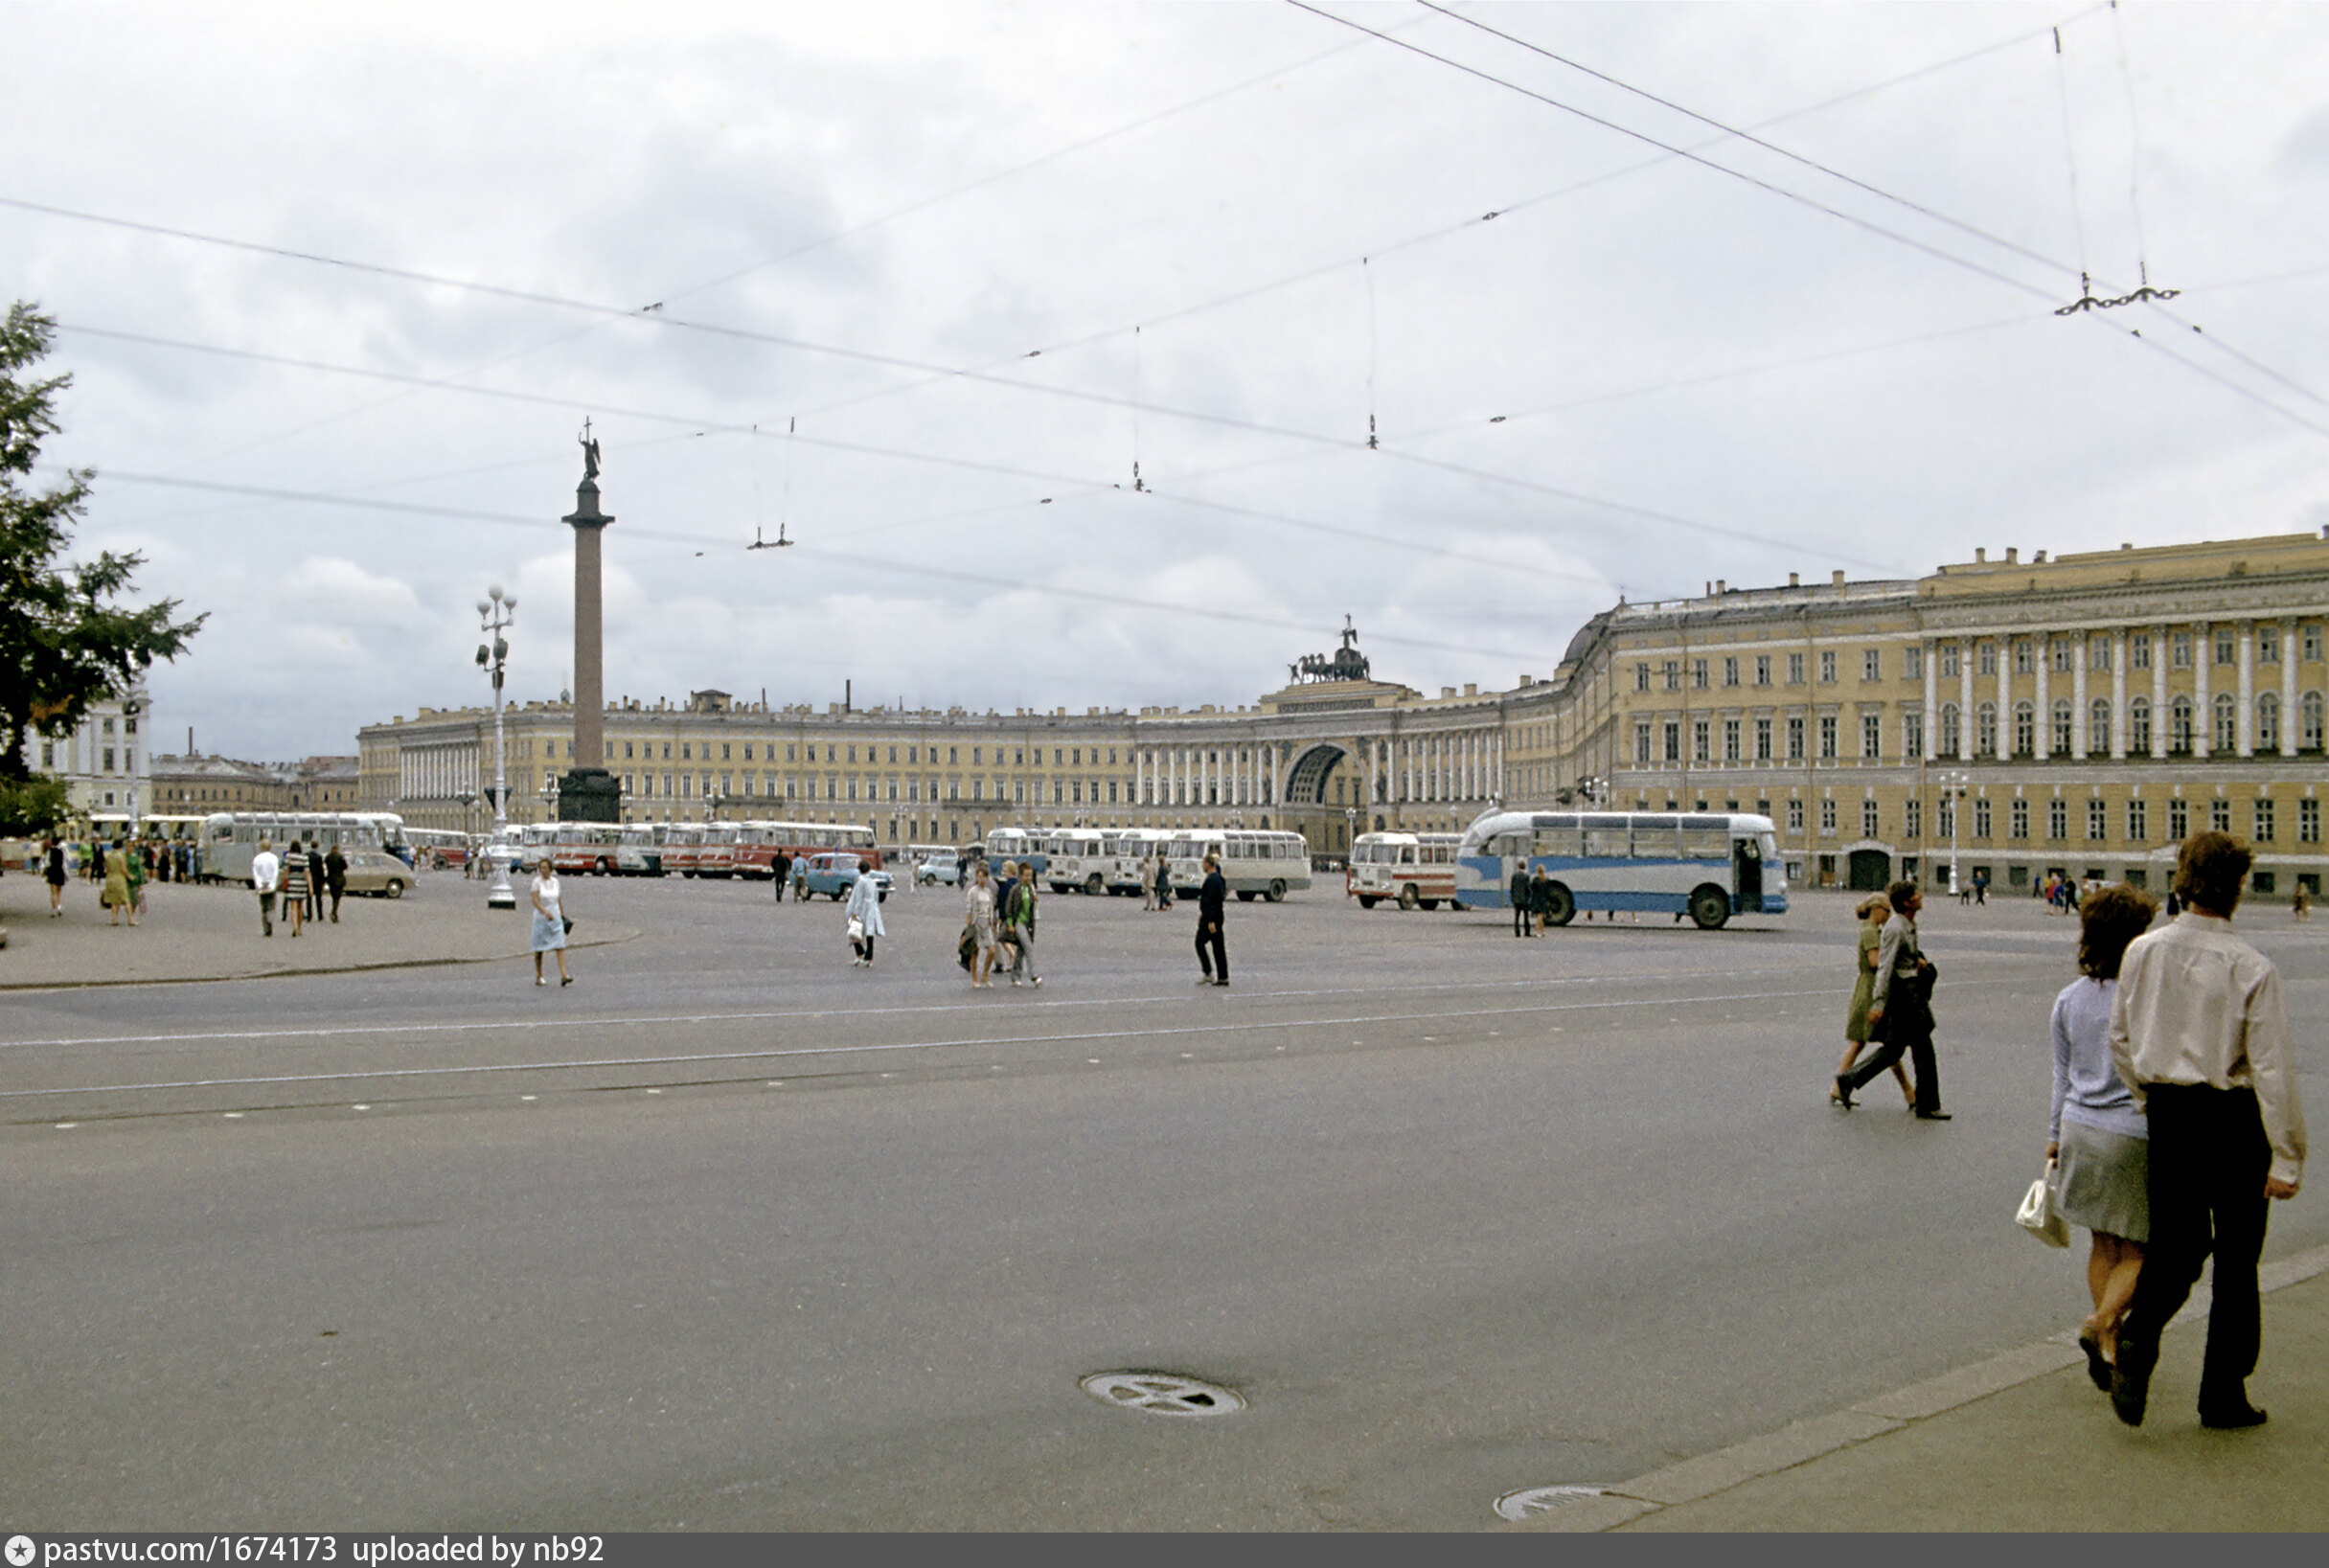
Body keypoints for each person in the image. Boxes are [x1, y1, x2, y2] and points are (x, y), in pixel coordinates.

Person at [2106, 832, 2305, 1429]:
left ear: (2183, 880)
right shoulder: (2252, 967)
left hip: (2171, 1112)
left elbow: (2120, 1038)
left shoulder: (2143, 951)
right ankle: (2222, 1393)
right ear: (2239, 887)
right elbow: (2273, 1069)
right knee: (2239, 1260)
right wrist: (2287, 1158)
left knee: (2178, 1245)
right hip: (2235, 1119)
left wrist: (2150, 1096)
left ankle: (2139, 1338)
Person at [2047, 883, 2159, 1391]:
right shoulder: (2146, 997)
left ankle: (2108, 1346)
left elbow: (2061, 1074)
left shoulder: (2069, 1000)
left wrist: (2053, 1135)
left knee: (2103, 1243)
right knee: (2142, 1250)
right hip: (2131, 1132)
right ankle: (2102, 1325)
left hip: (2078, 1127)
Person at [1836, 880, 1948, 1119]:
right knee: (1924, 1049)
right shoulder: (1896, 928)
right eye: (1916, 894)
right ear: (1907, 902)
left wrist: (1918, 962)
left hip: (1908, 992)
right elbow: (1884, 967)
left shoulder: (1905, 923)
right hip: (1906, 996)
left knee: (1894, 1049)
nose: (1921, 895)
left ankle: (1848, 1079)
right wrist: (1878, 1003)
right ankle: (1927, 1105)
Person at [1833, 896, 1913, 1108]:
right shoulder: (1870, 932)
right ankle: (1908, 1092)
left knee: (1862, 1042)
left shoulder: (1871, 930)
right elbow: (1875, 961)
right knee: (1887, 1043)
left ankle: (1838, 1086)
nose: (1888, 916)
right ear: (1877, 909)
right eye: (1887, 912)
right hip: (1870, 990)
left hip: (1867, 987)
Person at [531, 861, 572, 986]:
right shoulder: (537, 882)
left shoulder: (555, 882)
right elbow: (535, 901)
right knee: (539, 948)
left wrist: (562, 916)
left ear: (550, 869)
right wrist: (544, 912)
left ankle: (564, 975)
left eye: (545, 868)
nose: (542, 870)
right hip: (541, 919)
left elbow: (558, 900)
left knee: (560, 946)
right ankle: (539, 975)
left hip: (556, 918)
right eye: (541, 868)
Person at [1004, 862, 1041, 987]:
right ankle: (1034, 976)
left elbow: (1032, 908)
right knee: (1028, 946)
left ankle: (1015, 977)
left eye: (1030, 876)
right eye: (1026, 876)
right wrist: (1010, 924)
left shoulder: (1030, 889)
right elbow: (1008, 908)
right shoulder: (1016, 889)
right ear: (1020, 876)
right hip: (1018, 922)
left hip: (1028, 923)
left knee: (1021, 950)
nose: (1029, 878)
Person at [964, 859, 1000, 988]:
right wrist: (969, 925)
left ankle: (985, 974)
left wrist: (992, 922)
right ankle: (974, 978)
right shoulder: (973, 891)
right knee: (975, 951)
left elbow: (991, 907)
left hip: (986, 924)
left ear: (987, 878)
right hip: (976, 923)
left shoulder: (988, 892)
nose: (981, 879)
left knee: (991, 950)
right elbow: (969, 908)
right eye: (979, 877)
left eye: (984, 877)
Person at [845, 857, 885, 966]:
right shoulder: (872, 881)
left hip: (863, 908)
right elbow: (876, 896)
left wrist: (854, 912)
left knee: (855, 931)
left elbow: (858, 898)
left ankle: (859, 954)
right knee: (869, 933)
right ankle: (869, 958)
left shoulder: (860, 881)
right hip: (872, 908)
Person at [1196, 852, 1228, 987]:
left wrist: (1209, 920)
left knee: (1199, 943)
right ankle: (1223, 977)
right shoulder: (1218, 879)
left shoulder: (1211, 880)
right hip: (1216, 917)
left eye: (1203, 863)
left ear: (1208, 864)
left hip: (1212, 919)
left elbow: (1211, 902)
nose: (1202, 866)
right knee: (1218, 947)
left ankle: (1208, 972)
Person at [251, 837, 281, 937]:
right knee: (271, 906)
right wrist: (273, 884)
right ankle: (270, 923)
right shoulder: (274, 858)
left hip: (262, 886)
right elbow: (275, 873)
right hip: (271, 886)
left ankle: (266, 928)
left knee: (263, 907)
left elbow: (256, 873)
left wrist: (259, 885)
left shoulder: (257, 859)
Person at [281, 839, 308, 937]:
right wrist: (310, 886)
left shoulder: (288, 857)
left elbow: (285, 871)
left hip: (292, 883)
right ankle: (300, 928)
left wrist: (283, 880)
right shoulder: (304, 858)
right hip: (301, 884)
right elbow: (307, 873)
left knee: (293, 906)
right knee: (300, 906)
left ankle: (294, 927)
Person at [101, 840, 132, 926]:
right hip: (119, 879)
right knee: (125, 899)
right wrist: (129, 876)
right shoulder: (121, 856)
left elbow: (106, 869)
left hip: (110, 878)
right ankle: (130, 919)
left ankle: (114, 919)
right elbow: (123, 869)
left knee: (113, 901)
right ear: (121, 847)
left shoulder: (109, 856)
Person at [44, 834, 68, 917]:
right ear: (59, 843)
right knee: (59, 891)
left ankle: (53, 909)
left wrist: (44, 871)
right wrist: (66, 874)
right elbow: (64, 864)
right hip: (59, 871)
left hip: (52, 871)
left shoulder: (49, 851)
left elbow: (47, 863)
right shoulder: (62, 851)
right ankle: (59, 906)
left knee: (52, 892)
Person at [324, 842, 347, 922]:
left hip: (331, 879)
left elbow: (326, 865)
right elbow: (345, 867)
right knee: (337, 898)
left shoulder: (328, 857)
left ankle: (334, 912)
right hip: (339, 879)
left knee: (333, 896)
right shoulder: (340, 857)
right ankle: (334, 912)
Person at [1510, 857, 1532, 938]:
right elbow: (1528, 888)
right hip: (1524, 900)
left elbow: (1512, 888)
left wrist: (1513, 898)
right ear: (1524, 867)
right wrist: (1528, 897)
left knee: (1517, 917)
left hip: (1516, 900)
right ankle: (1527, 932)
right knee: (1526, 917)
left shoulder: (1514, 876)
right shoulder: (1526, 876)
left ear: (1518, 867)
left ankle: (1517, 932)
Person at [307, 842, 327, 922]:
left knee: (309, 898)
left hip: (309, 879)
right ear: (317, 847)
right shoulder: (319, 857)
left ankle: (309, 915)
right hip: (317, 879)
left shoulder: (306, 856)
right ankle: (320, 915)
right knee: (318, 898)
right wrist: (323, 881)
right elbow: (321, 870)